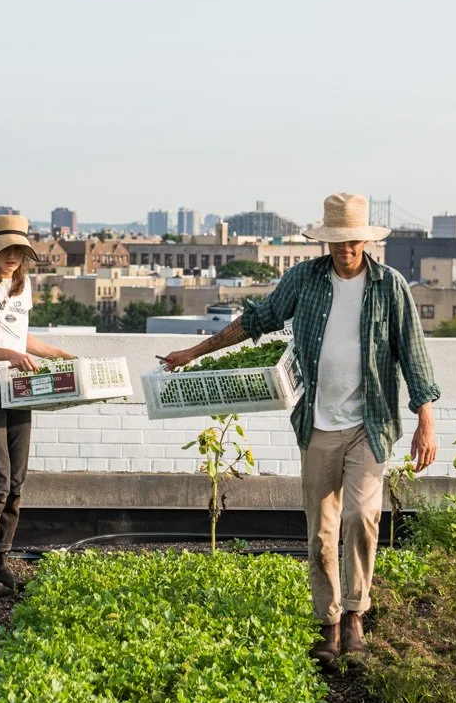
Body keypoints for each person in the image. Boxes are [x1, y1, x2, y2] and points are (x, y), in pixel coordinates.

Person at [161, 192, 439, 664]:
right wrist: (194, 352)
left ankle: (355, 615)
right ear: (326, 241)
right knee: (321, 530)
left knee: (362, 518)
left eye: (353, 240)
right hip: (317, 424)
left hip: (370, 424)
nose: (346, 248)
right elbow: (257, 320)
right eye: (337, 240)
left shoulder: (390, 286)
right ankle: (328, 622)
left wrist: (425, 421)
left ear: (365, 240)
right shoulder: (304, 280)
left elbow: (414, 355)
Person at [0, 214, 74, 595]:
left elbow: (20, 338)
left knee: (16, 482)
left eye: (18, 251)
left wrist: (56, 352)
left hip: (19, 387)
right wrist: (10, 354)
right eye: (5, 249)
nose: (12, 256)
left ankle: (0, 561)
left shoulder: (22, 289)